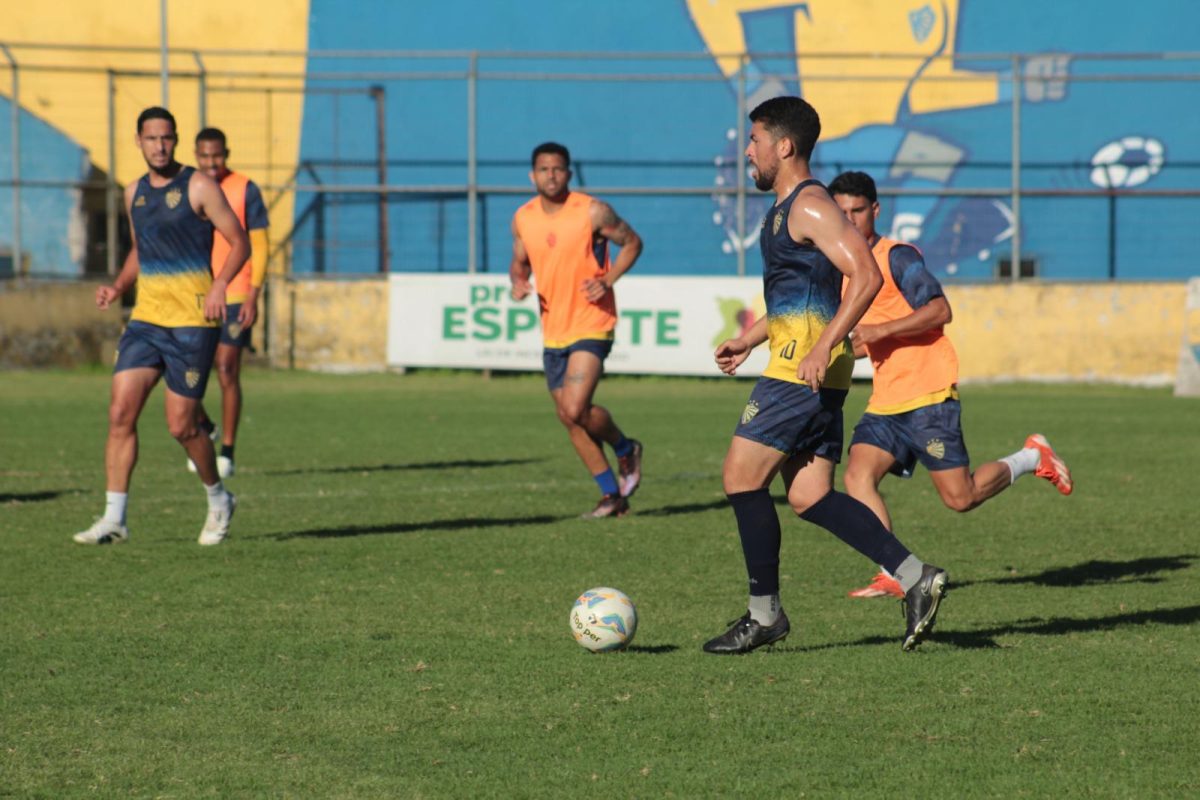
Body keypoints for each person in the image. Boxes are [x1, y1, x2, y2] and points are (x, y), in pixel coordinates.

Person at [706, 96, 946, 654]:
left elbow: (864, 275)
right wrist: (749, 337)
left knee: (741, 479)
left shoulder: (809, 206)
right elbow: (803, 297)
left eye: (756, 139)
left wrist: (827, 343)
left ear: (783, 146)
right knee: (812, 496)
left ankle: (763, 615)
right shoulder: (788, 207)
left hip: (799, 374)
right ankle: (916, 577)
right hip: (807, 367)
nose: (749, 150)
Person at [828, 170, 1073, 599]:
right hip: (887, 399)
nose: (850, 220)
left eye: (858, 211)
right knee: (857, 477)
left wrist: (881, 332)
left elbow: (940, 310)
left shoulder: (896, 257)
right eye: (842, 212)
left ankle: (1032, 456)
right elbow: (868, 339)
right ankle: (898, 571)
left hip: (928, 394)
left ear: (876, 211)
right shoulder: (846, 271)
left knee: (960, 498)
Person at [73, 106, 250, 547]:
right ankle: (115, 518)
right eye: (151, 138)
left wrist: (221, 285)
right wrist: (117, 286)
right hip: (147, 320)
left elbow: (240, 241)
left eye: (167, 138)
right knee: (120, 413)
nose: (159, 146)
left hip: (192, 323)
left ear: (175, 140)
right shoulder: (133, 192)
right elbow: (141, 249)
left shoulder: (199, 185)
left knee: (182, 427)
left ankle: (218, 498)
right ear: (138, 141)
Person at [510, 142, 645, 518]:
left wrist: (609, 279)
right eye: (543, 169)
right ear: (532, 175)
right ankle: (611, 496)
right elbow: (519, 263)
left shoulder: (592, 211)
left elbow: (633, 243)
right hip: (553, 328)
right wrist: (517, 283)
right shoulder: (523, 218)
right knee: (569, 417)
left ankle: (624, 448)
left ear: (568, 173)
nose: (550, 175)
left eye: (558, 169)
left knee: (574, 406)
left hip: (592, 322)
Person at [185, 127, 270, 479]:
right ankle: (203, 427)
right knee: (185, 372)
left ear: (226, 153)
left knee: (226, 368)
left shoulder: (244, 188)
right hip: (195, 291)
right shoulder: (186, 186)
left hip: (235, 291)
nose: (210, 163)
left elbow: (261, 244)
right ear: (195, 155)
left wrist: (254, 292)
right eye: (204, 156)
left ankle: (228, 452)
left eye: (216, 156)